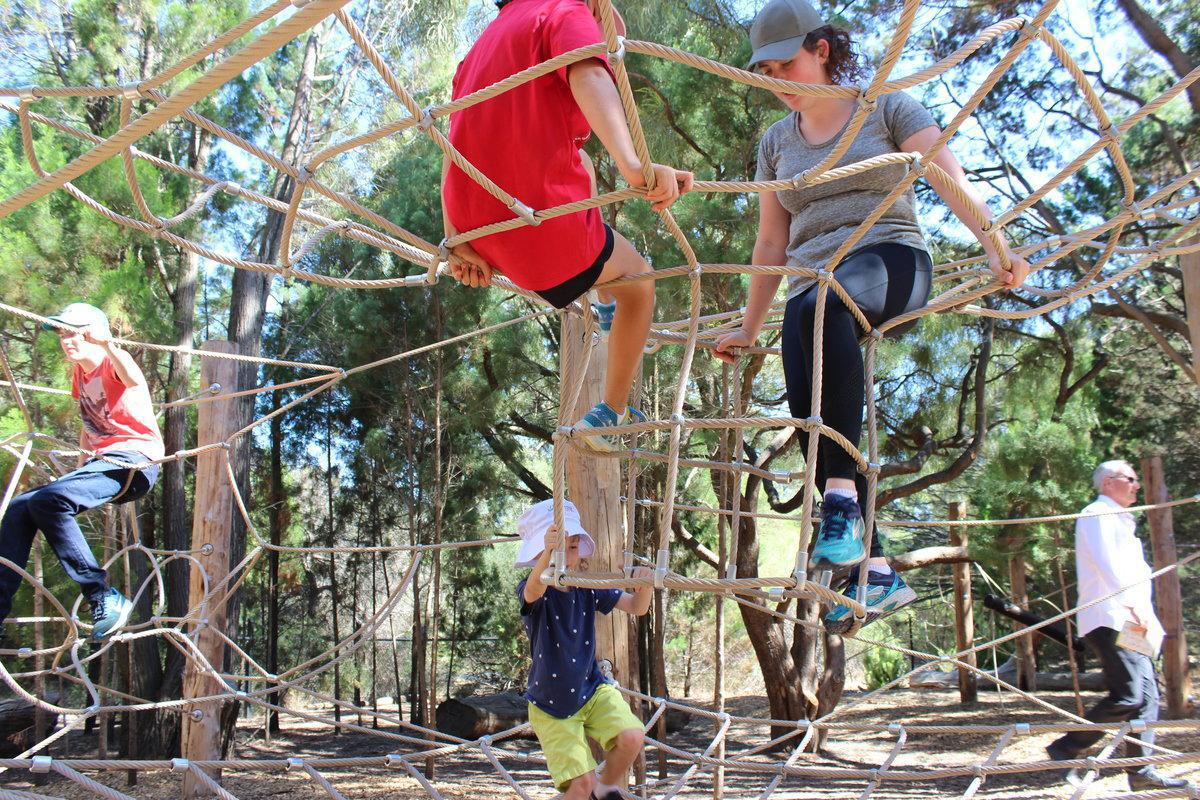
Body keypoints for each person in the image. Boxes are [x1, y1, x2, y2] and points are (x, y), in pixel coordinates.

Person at [713, 0, 1031, 632]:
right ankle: (876, 570)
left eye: (785, 64)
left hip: (891, 262)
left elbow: (946, 176)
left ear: (821, 50)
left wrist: (996, 245)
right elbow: (771, 241)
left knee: (823, 301)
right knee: (808, 411)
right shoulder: (777, 143)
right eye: (766, 72)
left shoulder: (885, 107)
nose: (777, 82)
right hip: (812, 288)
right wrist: (748, 327)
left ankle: (839, 502)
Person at [441, 0, 693, 451]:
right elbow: (589, 74)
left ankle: (603, 297)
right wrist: (635, 166)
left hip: (476, 231)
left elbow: (451, 142)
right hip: (539, 237)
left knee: (584, 164)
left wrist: (455, 238)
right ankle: (612, 412)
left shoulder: (481, 47)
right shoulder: (567, 10)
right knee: (640, 280)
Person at [0, 303, 162, 643]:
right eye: (62, 334)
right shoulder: (81, 374)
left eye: (74, 333)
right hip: (102, 463)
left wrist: (107, 344)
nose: (66, 341)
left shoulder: (112, 361)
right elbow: (90, 423)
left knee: (47, 502)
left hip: (134, 460)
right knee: (20, 508)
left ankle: (101, 594)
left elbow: (133, 379)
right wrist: (79, 467)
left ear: (94, 334)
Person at [1045, 460, 1191, 791]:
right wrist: (1133, 607)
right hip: (1111, 617)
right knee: (1128, 696)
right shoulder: (1097, 513)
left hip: (1131, 620)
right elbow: (1107, 564)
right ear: (1109, 482)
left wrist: (1143, 616)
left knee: (1148, 696)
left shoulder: (1120, 519)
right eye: (1131, 479)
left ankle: (1141, 773)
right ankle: (1065, 749)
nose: (1137, 486)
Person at [514, 499, 651, 799]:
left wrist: (645, 585)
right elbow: (533, 590)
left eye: (573, 539)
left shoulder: (586, 585)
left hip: (592, 689)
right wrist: (549, 554)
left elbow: (636, 607)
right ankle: (592, 789)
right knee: (580, 785)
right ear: (538, 550)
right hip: (551, 704)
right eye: (560, 540)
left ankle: (606, 788)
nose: (571, 542)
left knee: (632, 736)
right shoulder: (533, 588)